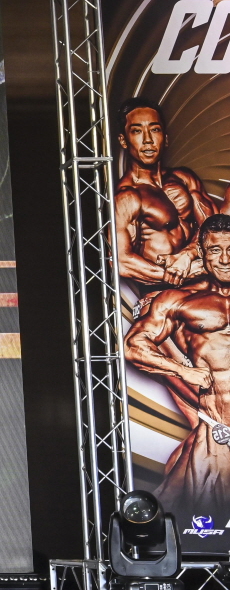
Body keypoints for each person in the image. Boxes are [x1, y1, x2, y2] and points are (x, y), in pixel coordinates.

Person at [125, 212, 230, 517]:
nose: (225, 259)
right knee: (205, 528)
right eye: (215, 250)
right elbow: (134, 345)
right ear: (202, 254)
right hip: (218, 435)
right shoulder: (180, 301)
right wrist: (183, 371)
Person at [114, 98, 217, 291]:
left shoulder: (184, 179)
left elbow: (215, 229)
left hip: (205, 286)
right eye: (137, 131)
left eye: (155, 129)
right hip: (162, 292)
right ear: (123, 140)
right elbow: (122, 261)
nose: (148, 139)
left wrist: (187, 254)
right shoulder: (127, 197)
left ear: (166, 138)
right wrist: (183, 273)